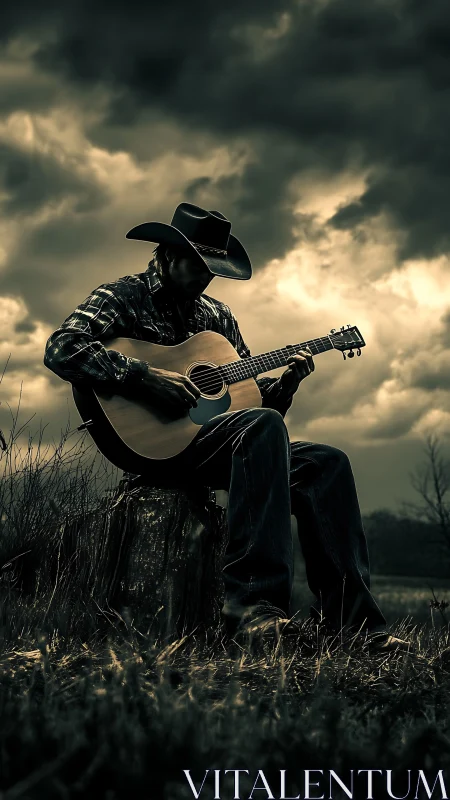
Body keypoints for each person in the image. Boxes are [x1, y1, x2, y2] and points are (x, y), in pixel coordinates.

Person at [44, 202, 404, 651]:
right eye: (198, 265)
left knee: (325, 463)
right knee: (262, 428)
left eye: (213, 269)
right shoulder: (121, 296)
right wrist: (144, 377)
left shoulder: (218, 318)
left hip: (210, 442)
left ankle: (356, 625)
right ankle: (254, 611)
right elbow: (62, 348)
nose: (206, 278)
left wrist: (284, 388)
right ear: (167, 255)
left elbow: (251, 407)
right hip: (148, 446)